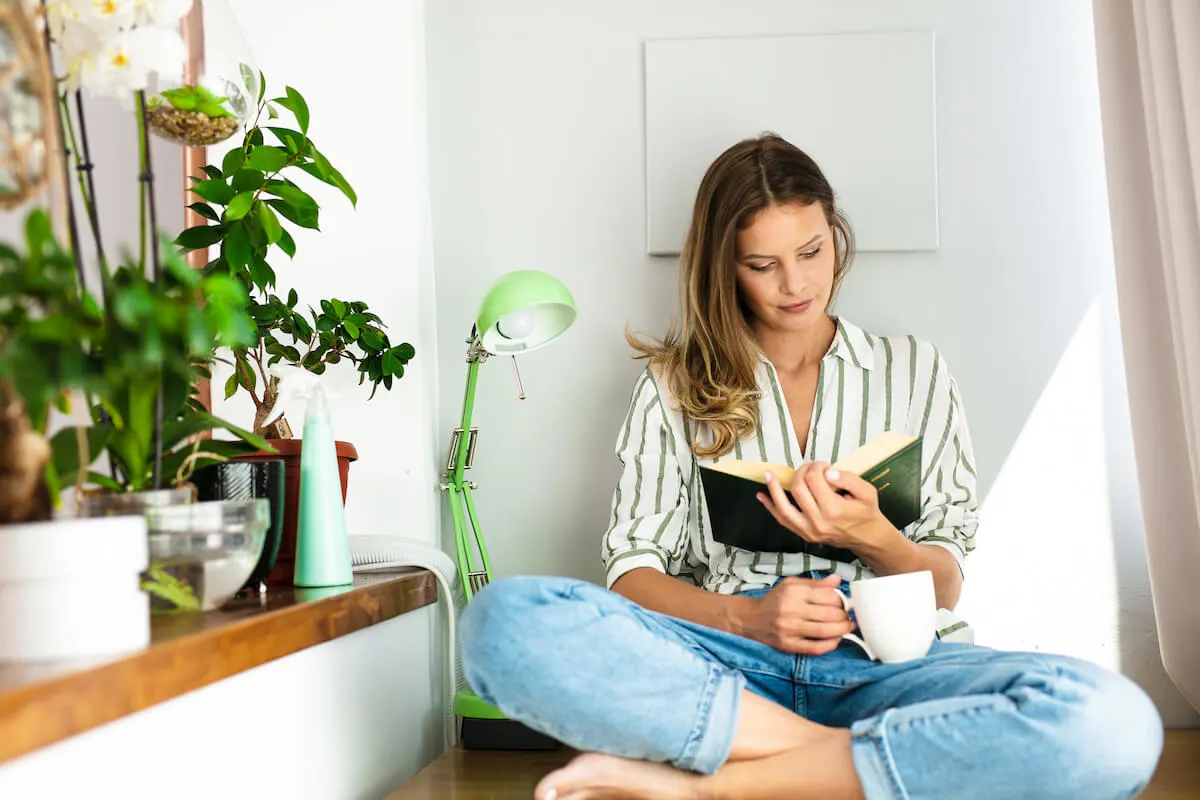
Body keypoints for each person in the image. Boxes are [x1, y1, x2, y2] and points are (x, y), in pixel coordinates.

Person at [459, 134, 1163, 800]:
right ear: (723, 267)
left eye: (812, 252)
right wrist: (748, 619)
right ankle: (860, 761)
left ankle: (721, 784)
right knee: (502, 624)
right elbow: (632, 571)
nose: (795, 284)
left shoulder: (914, 370)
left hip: (890, 670)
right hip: (726, 672)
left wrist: (871, 535)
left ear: (838, 238)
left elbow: (944, 586)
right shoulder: (673, 385)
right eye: (761, 265)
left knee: (1112, 724)